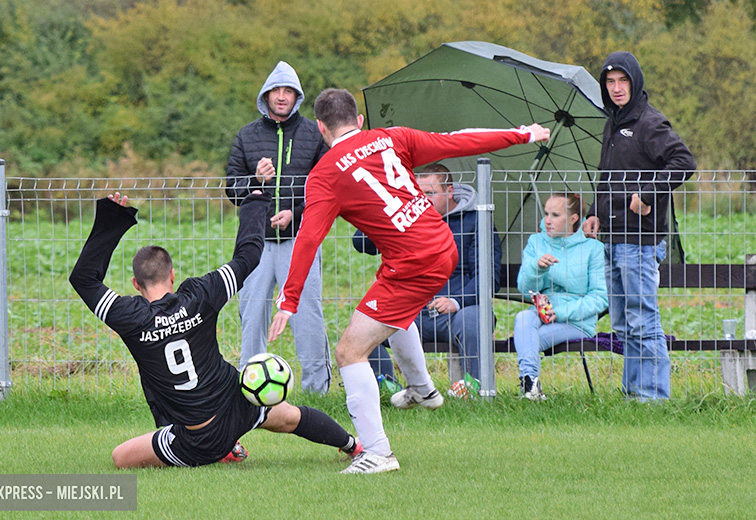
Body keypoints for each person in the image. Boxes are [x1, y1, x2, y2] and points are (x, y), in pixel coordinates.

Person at [268, 88, 550, 474]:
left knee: (350, 351)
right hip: (439, 246)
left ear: (320, 128)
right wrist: (521, 133)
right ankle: (423, 390)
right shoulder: (391, 137)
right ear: (360, 121)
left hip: (414, 263)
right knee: (388, 308)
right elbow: (457, 141)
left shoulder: (323, 176)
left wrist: (289, 300)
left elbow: (308, 239)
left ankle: (379, 453)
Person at [69, 191, 361, 469]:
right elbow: (248, 257)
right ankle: (353, 446)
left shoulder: (129, 316)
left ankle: (223, 451)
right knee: (288, 416)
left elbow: (84, 279)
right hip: (237, 405)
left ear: (135, 284)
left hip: (199, 437)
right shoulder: (200, 295)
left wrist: (112, 222)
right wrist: (254, 203)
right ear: (172, 275)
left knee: (120, 457)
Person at [582, 51, 695, 400]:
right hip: (612, 239)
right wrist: (593, 211)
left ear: (635, 81)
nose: (616, 88)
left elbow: (684, 162)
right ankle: (633, 396)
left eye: (623, 81)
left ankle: (653, 399)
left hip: (641, 242)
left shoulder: (649, 123)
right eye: (610, 82)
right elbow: (608, 177)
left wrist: (647, 192)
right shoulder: (612, 122)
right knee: (622, 325)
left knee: (643, 322)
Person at [225, 61, 331, 394]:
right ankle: (250, 394)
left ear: (297, 97)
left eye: (288, 91)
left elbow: (326, 187)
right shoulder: (247, 135)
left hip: (300, 240)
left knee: (306, 316)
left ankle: (318, 393)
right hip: (255, 244)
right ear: (266, 95)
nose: (282, 97)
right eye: (276, 91)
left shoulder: (315, 135)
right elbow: (231, 188)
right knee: (252, 315)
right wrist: (255, 181)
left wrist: (293, 215)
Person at [354, 163, 501, 398]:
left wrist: (456, 301)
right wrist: (383, 207)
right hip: (410, 312)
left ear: (450, 191)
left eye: (430, 194)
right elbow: (361, 243)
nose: (423, 201)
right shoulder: (405, 218)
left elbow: (488, 278)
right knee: (366, 319)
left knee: (475, 317)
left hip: (455, 314)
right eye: (418, 194)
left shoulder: (475, 223)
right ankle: (388, 388)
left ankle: (474, 388)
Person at [515, 193, 608, 400]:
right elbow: (524, 289)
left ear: (574, 218)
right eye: (546, 213)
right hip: (540, 315)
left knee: (528, 338)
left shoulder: (593, 248)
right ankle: (530, 386)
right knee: (523, 318)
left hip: (577, 321)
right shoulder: (536, 242)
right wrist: (537, 269)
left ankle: (529, 387)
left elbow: (600, 298)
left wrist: (561, 311)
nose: (547, 220)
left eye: (555, 215)